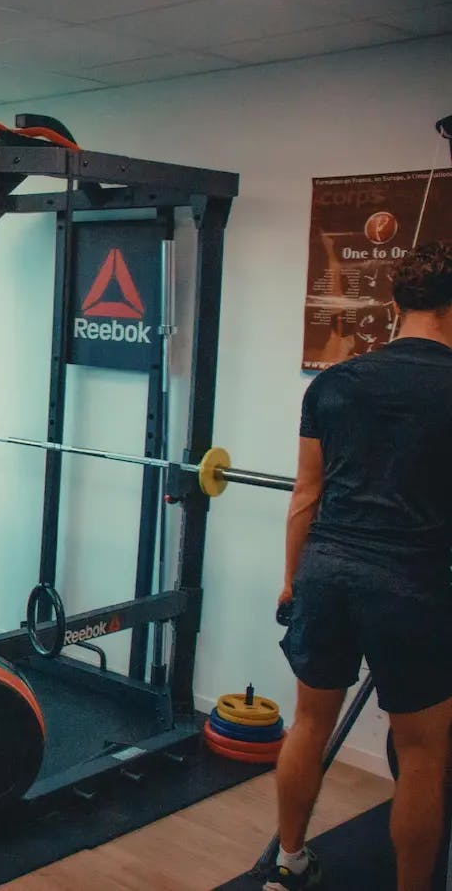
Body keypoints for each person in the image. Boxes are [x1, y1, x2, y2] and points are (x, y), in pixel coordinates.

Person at [270, 240, 452, 891]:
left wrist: (293, 581)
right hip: (412, 585)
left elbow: (306, 494)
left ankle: (288, 860)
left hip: (327, 571)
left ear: (396, 304)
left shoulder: (335, 382)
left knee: (310, 723)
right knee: (424, 753)